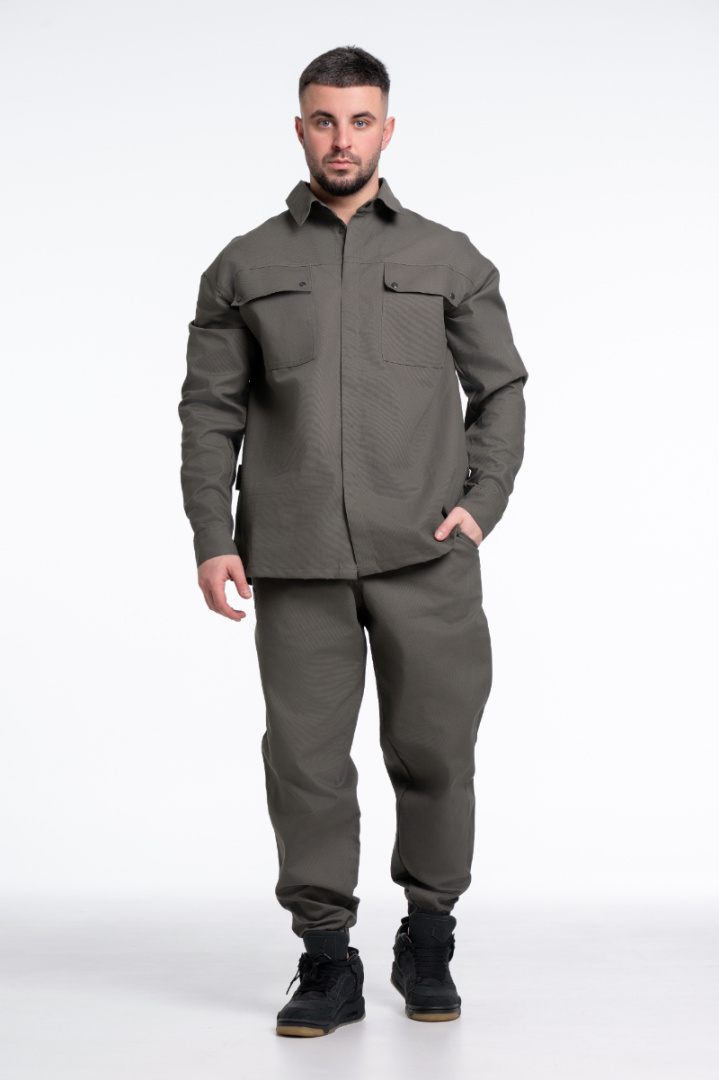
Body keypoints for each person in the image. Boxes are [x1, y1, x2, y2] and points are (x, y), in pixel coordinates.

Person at [178, 44, 528, 1038]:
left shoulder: (449, 258)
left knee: (436, 754)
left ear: (387, 128)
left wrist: (483, 499)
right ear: (300, 128)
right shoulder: (243, 265)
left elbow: (500, 388)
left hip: (426, 554)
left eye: (360, 120)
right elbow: (209, 410)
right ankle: (326, 961)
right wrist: (211, 535)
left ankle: (429, 937)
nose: (342, 140)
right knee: (304, 765)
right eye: (325, 121)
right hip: (294, 560)